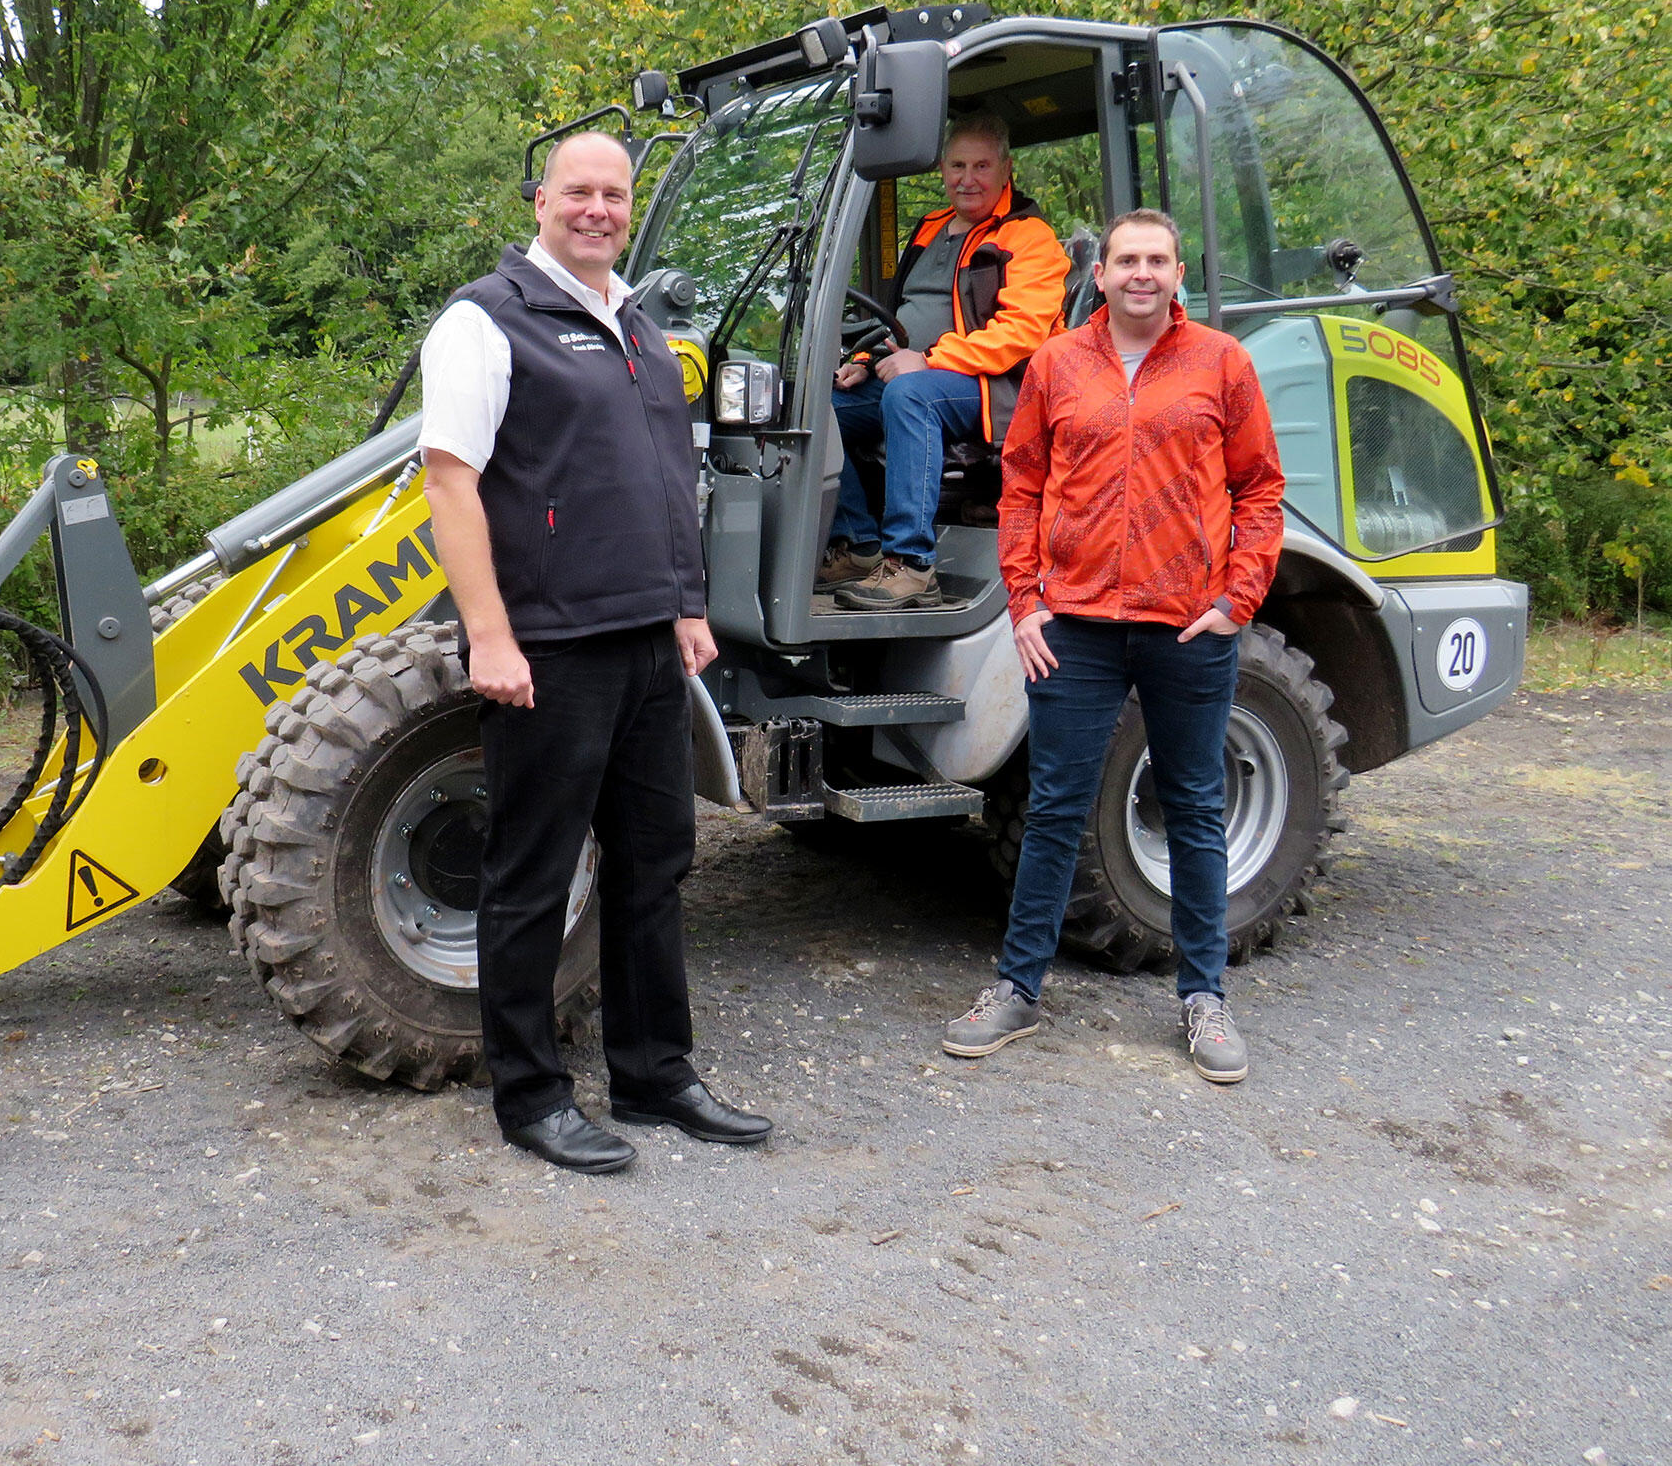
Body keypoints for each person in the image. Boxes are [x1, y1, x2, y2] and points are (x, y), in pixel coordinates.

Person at [419, 129, 771, 1174]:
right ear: (539, 199)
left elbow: (665, 479)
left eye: (614, 194)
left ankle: (656, 1073)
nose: (597, 208)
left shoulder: (639, 326)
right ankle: (529, 1096)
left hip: (646, 643)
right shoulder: (486, 322)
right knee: (529, 873)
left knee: (655, 859)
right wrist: (488, 632)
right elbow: (449, 481)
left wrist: (687, 604)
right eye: (578, 190)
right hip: (549, 646)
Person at [942, 207, 1285, 1082]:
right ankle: (1017, 989)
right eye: (1126, 258)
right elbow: (1020, 487)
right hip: (1079, 629)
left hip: (1187, 627)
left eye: (1157, 259)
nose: (1141, 272)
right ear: (1099, 273)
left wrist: (1237, 600)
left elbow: (1260, 490)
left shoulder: (1222, 364)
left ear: (1178, 273)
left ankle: (1204, 998)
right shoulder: (1058, 363)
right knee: (1056, 808)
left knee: (1197, 808)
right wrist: (1024, 604)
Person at [822, 112, 1069, 610]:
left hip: (998, 387)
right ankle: (861, 545)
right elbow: (900, 316)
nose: (967, 178)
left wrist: (929, 359)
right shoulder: (930, 229)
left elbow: (1020, 335)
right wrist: (867, 359)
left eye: (981, 166)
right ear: (941, 168)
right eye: (957, 165)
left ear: (1006, 169)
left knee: (911, 395)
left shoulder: (1029, 237)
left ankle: (911, 565)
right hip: (926, 371)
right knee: (818, 407)